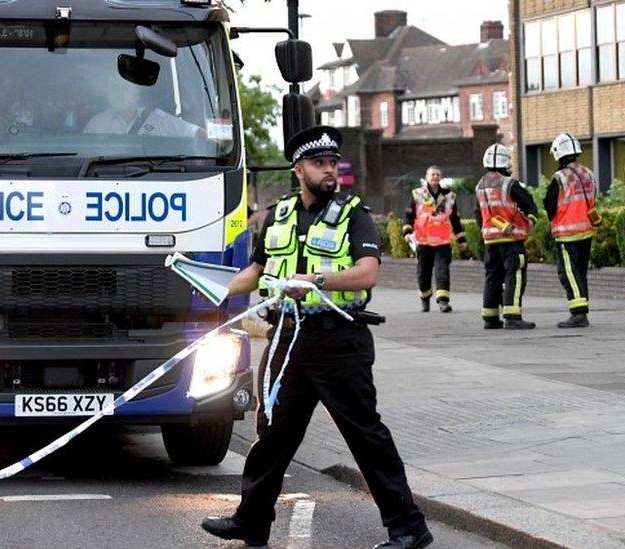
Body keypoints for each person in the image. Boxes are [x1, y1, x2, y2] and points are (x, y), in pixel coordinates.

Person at [201, 126, 432, 549]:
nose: (330, 171)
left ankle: (408, 527)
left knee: (364, 434)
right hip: (289, 339)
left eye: (333, 163)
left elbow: (368, 272)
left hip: (339, 341)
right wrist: (220, 288)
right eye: (319, 164)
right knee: (273, 433)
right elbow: (259, 269)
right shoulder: (279, 214)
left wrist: (317, 280)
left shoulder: (353, 213)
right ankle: (252, 520)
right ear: (298, 169)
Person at [474, 144, 539, 330]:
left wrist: (486, 230)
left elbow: (478, 214)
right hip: (511, 239)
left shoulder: (480, 185)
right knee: (514, 274)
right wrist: (531, 221)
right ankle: (512, 316)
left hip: (490, 240)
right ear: (506, 162)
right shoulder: (509, 183)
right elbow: (528, 203)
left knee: (492, 276)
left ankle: (490, 317)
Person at [544, 133, 598, 328]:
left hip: (567, 234)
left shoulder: (559, 177)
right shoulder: (588, 173)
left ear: (559, 154)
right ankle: (582, 309)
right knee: (580, 272)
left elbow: (550, 205)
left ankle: (578, 314)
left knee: (567, 272)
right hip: (587, 231)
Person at [403, 165, 468, 312]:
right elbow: (408, 215)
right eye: (432, 174)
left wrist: (461, 240)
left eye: (438, 175)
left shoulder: (449, 196)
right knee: (423, 273)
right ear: (426, 177)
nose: (435, 177)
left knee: (442, 271)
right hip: (423, 241)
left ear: (441, 177)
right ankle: (425, 299)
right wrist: (407, 232)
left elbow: (455, 219)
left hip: (442, 241)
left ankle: (443, 301)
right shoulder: (417, 194)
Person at [83, 77, 205, 138]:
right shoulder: (97, 123)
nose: (119, 93)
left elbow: (194, 132)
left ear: (137, 94)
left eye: (125, 88)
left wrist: (221, 137)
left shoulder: (158, 119)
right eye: (114, 88)